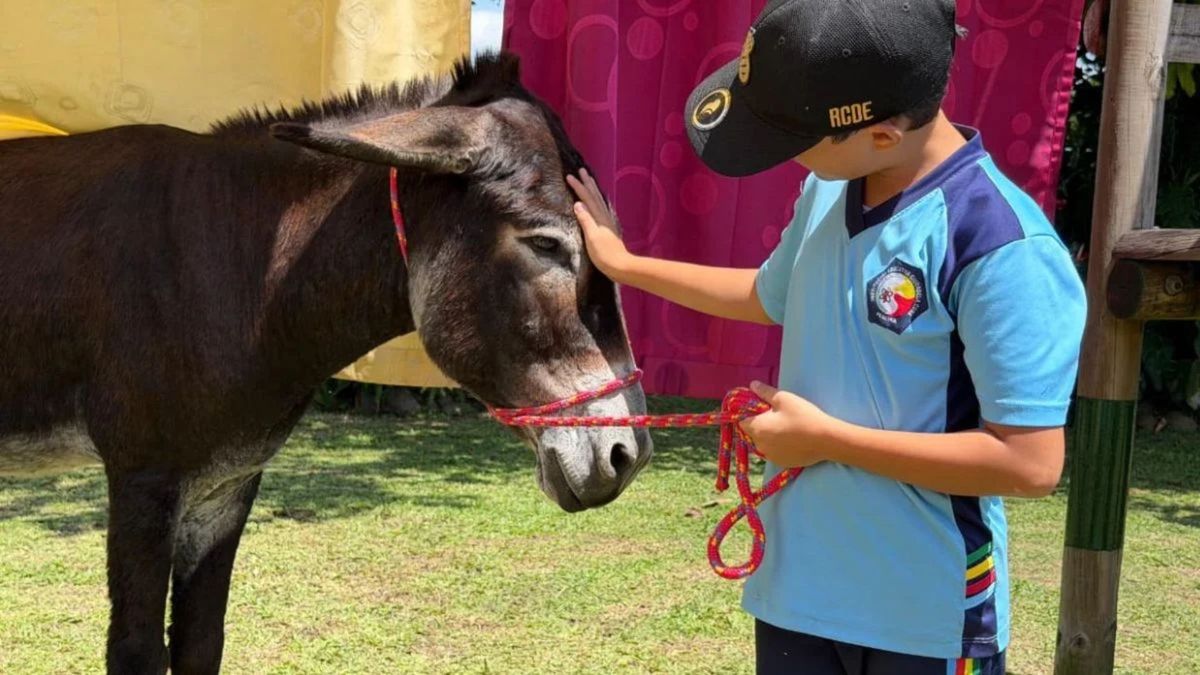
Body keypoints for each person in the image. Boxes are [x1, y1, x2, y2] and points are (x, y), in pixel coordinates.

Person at [567, 1, 1087, 673]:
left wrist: (824, 440)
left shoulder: (998, 244)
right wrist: (626, 266)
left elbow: (1031, 463)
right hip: (797, 595)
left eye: (795, 138)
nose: (785, 158)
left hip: (922, 617)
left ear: (881, 132)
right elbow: (769, 293)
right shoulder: (827, 188)